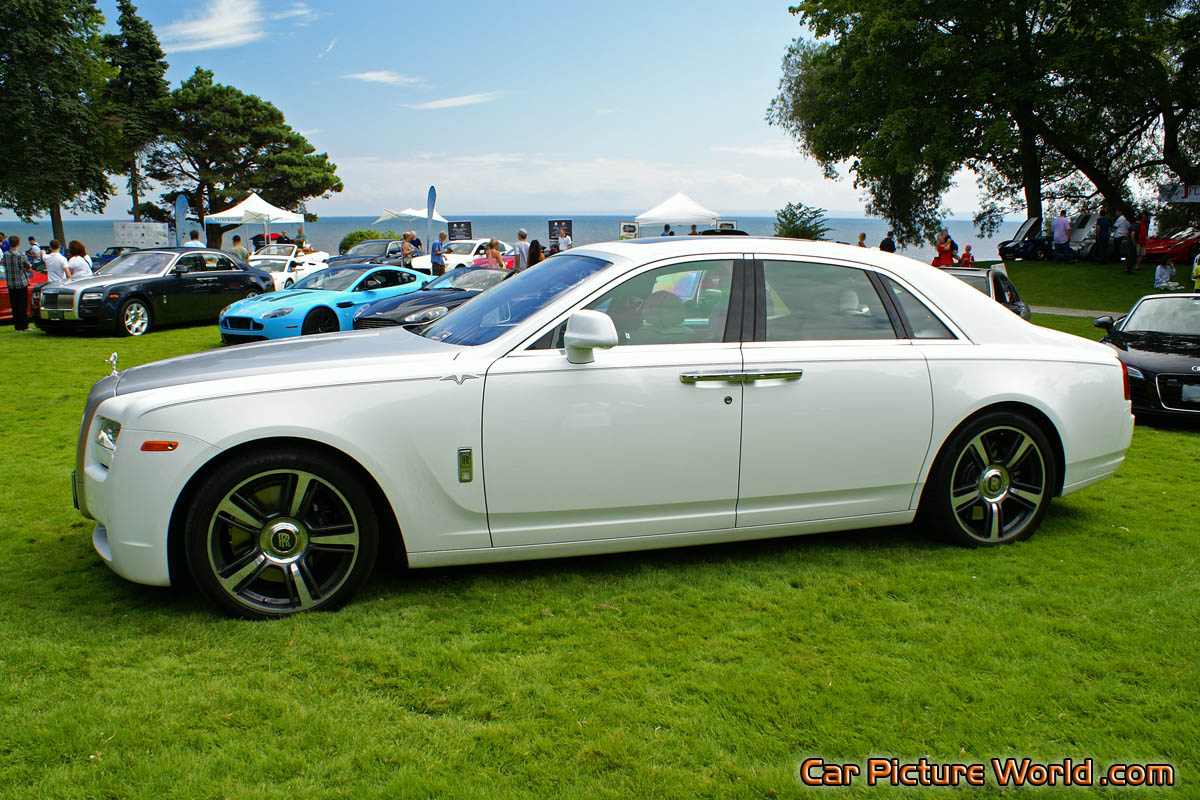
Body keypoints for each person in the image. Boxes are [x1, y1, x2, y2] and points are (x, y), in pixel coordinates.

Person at [3, 235, 31, 331]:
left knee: (14, 305)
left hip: (11, 283)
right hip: (21, 282)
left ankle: (17, 325)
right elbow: (28, 266)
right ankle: (24, 326)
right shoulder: (20, 254)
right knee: (22, 305)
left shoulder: (6, 254)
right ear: (18, 243)